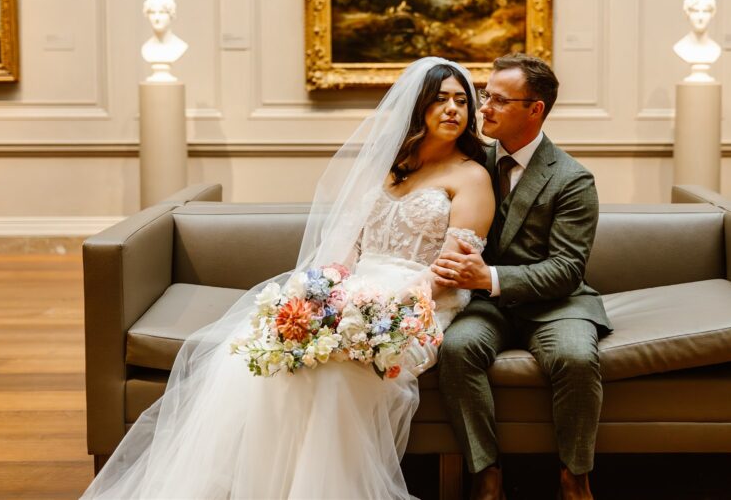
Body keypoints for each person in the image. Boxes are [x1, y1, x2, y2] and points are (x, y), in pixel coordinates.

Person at [81, 57, 494, 499]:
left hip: (417, 307)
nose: (453, 109)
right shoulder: (390, 169)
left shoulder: (471, 177)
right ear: (418, 107)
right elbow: (347, 250)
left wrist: (380, 313)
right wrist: (325, 294)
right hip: (354, 294)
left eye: (461, 101)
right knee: (265, 358)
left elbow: (449, 272)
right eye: (440, 99)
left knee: (336, 377)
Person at [432, 54, 612, 500]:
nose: (483, 108)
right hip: (487, 307)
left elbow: (566, 269)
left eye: (499, 100)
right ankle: (486, 473)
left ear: (535, 109)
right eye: (485, 95)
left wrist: (488, 276)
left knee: (576, 358)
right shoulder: (470, 161)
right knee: (456, 350)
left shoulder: (573, 179)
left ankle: (575, 478)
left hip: (556, 305)